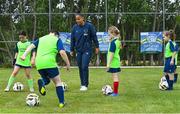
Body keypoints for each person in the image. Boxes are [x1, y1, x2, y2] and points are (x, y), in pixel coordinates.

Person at [21, 31, 70, 108]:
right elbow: (62, 52)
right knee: (58, 82)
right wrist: (68, 64)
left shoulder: (41, 39)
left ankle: (42, 82)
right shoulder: (57, 39)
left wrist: (24, 55)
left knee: (47, 80)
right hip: (50, 63)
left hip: (39, 63)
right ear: (56, 35)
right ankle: (61, 102)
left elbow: (31, 46)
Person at [70, 13, 99, 91]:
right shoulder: (74, 28)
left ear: (83, 18)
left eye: (79, 19)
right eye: (76, 19)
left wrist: (97, 47)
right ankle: (82, 83)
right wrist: (71, 49)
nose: (77, 21)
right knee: (80, 67)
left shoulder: (89, 26)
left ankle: (85, 84)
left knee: (84, 66)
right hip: (78, 50)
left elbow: (94, 37)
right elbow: (72, 39)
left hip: (87, 50)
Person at [106, 26, 122, 96]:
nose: (108, 36)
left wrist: (108, 64)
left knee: (115, 77)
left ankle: (115, 93)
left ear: (113, 34)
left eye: (109, 34)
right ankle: (115, 91)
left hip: (113, 62)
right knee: (114, 77)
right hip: (116, 61)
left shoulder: (113, 43)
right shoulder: (118, 41)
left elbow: (112, 54)